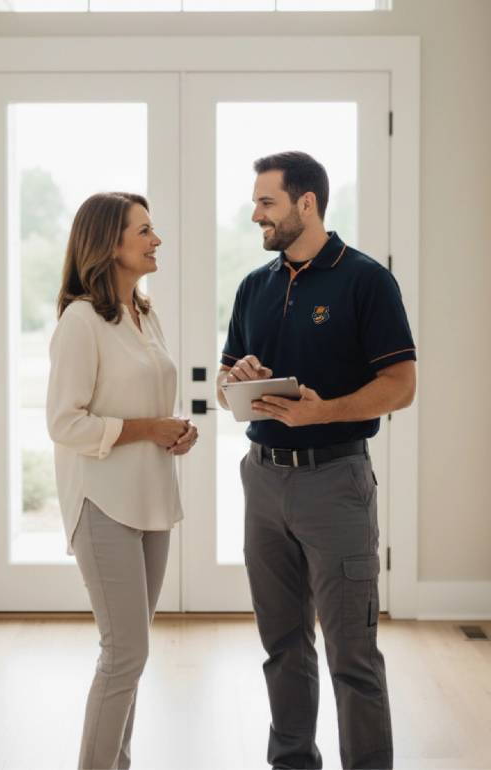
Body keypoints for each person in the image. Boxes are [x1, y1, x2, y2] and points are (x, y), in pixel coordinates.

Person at [217, 152, 416, 770]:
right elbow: (224, 384)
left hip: (336, 481)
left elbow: (402, 385)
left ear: (307, 203)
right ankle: (292, 762)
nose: (256, 214)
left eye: (267, 202)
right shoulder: (254, 286)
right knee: (282, 643)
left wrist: (323, 412)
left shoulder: (365, 280)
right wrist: (236, 380)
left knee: (352, 653)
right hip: (262, 480)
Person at [46, 192, 198, 770]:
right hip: (102, 502)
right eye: (144, 231)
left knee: (131, 655)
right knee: (125, 653)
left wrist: (174, 431)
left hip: (152, 499)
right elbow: (64, 423)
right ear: (110, 244)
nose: (156, 240)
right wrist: (147, 429)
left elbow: (147, 404)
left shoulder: (145, 314)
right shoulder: (80, 322)